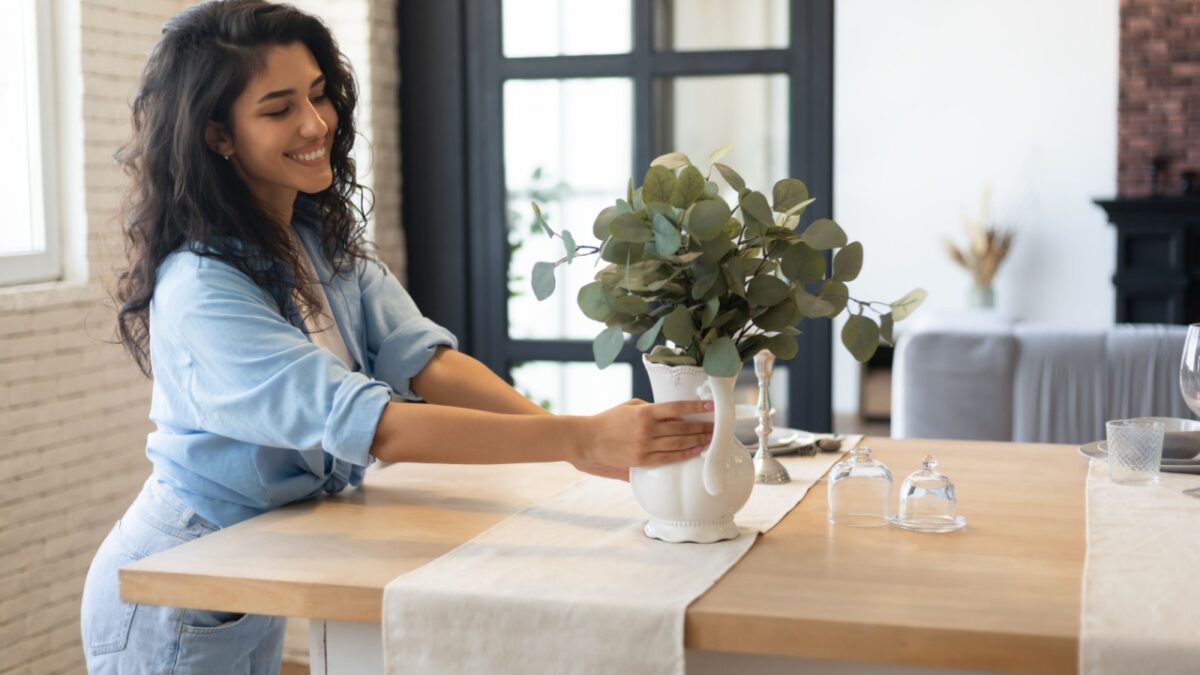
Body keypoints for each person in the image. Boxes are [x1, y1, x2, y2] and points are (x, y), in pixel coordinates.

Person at [79, 2, 713, 672]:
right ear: (218, 136)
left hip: (246, 562)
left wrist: (571, 445)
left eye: (318, 94)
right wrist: (577, 438)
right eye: (279, 109)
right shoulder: (201, 290)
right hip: (176, 582)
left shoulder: (313, 239)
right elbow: (374, 426)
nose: (315, 124)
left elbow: (426, 361)